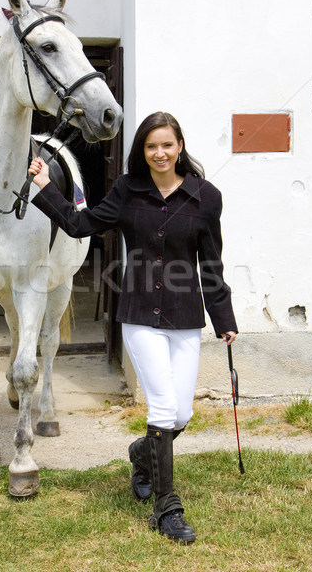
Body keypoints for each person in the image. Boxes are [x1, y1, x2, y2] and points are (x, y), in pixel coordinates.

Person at [28, 111, 237, 545]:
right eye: (151, 146)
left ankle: (142, 456)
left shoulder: (205, 197)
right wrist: (46, 187)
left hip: (183, 316)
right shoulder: (127, 191)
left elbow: (211, 265)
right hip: (140, 314)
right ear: (141, 152)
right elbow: (80, 224)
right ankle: (168, 510)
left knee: (182, 413)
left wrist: (224, 319)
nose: (160, 153)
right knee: (161, 409)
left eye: (167, 144)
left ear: (180, 146)